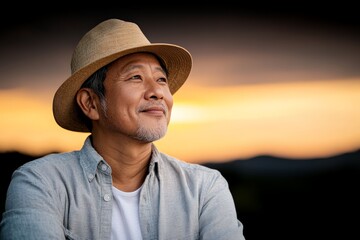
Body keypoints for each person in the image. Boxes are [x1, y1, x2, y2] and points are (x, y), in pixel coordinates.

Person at [0, 18, 245, 240]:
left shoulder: (205, 188)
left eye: (161, 79)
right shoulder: (42, 183)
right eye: (135, 77)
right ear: (91, 103)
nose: (157, 91)